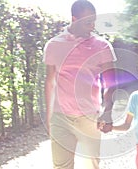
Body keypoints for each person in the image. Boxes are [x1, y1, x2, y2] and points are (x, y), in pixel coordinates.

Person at [43, 0, 117, 168]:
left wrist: (108, 112)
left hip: (90, 117)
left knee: (91, 166)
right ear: (74, 19)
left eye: (94, 21)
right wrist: (49, 118)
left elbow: (111, 83)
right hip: (60, 117)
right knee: (61, 166)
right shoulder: (54, 45)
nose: (92, 26)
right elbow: (50, 82)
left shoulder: (102, 46)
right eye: (87, 22)